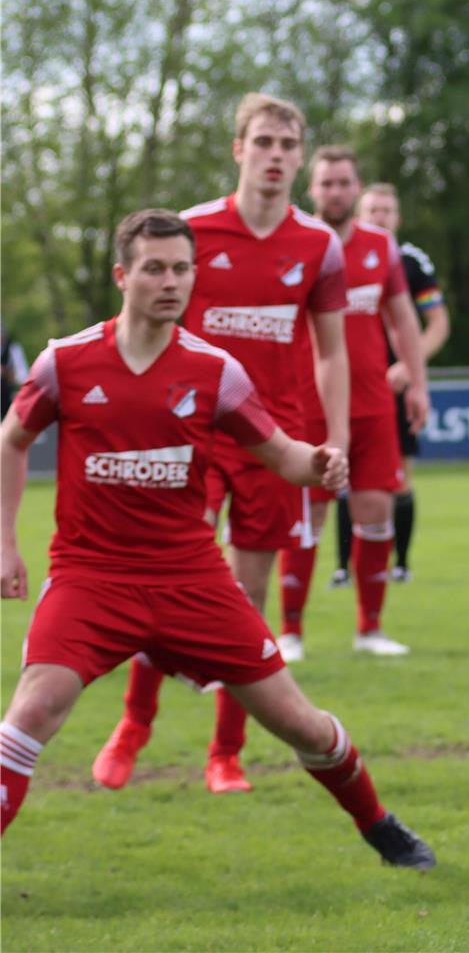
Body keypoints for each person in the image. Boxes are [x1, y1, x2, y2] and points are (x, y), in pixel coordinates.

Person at [0, 209, 434, 869]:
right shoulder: (66, 361)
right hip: (92, 577)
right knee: (32, 711)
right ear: (123, 275)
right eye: (154, 268)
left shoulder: (216, 372)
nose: (170, 281)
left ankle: (378, 823)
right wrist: (6, 542)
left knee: (298, 723)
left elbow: (281, 455)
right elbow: (12, 439)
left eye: (181, 268)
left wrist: (319, 461)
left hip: (192, 579)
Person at [92, 93, 350, 795]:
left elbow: (332, 353)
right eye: (262, 140)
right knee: (159, 581)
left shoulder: (319, 246)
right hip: (191, 438)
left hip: (275, 440)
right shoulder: (195, 233)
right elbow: (149, 327)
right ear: (239, 148)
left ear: (300, 155)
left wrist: (336, 438)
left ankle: (224, 755)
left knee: (245, 598)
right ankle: (134, 724)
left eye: (287, 143)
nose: (275, 154)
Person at [276, 149, 430, 661]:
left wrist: (418, 384)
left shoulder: (381, 247)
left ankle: (370, 629)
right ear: (312, 188)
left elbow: (404, 319)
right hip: (307, 405)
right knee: (307, 517)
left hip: (373, 404)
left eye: (344, 182)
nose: (335, 192)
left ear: (356, 186)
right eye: (327, 183)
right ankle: (290, 632)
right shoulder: (295, 240)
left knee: (376, 512)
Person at [332, 183, 449, 588]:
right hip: (344, 383)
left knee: (397, 482)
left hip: (393, 388)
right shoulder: (331, 253)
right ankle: (342, 565)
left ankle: (400, 563)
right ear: (359, 215)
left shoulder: (411, 262)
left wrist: (410, 367)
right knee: (340, 477)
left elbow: (437, 323)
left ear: (397, 218)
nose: (380, 216)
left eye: (387, 210)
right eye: (372, 210)